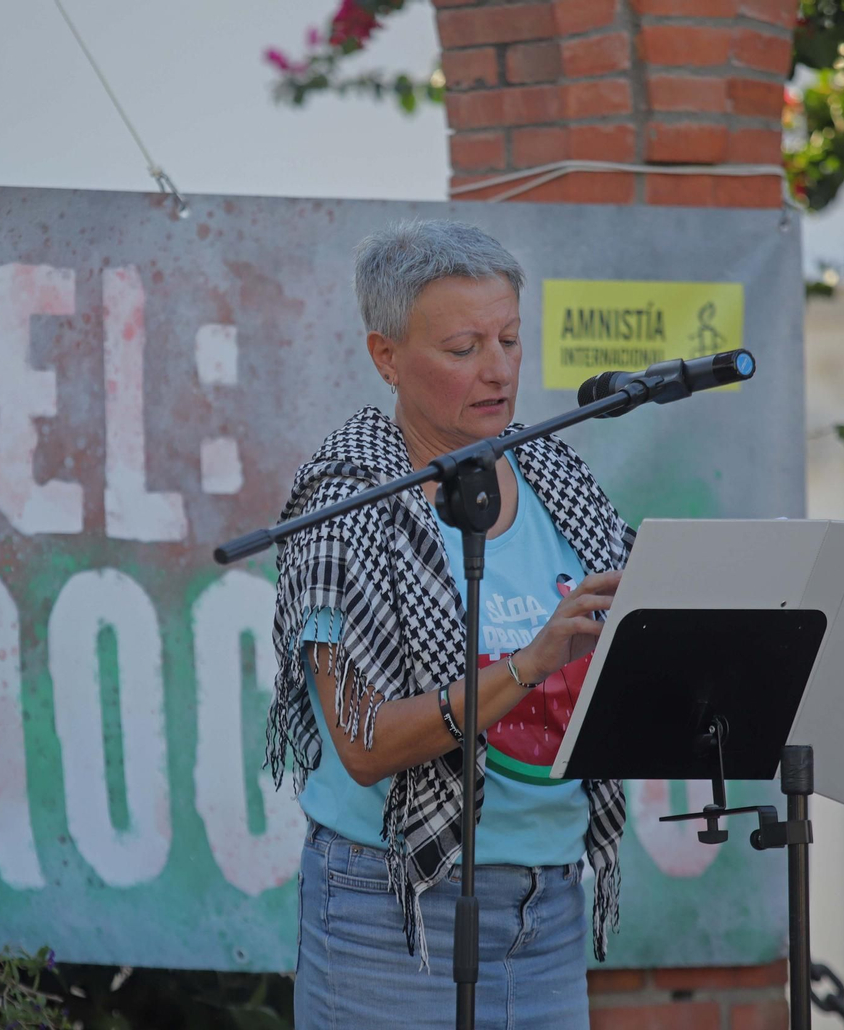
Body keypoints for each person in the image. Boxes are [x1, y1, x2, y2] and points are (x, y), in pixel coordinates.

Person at [268, 219, 636, 1029]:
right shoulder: (346, 502)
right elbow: (360, 745)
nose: (499, 369)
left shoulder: (557, 475)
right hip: (393, 912)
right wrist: (528, 663)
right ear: (387, 357)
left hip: (550, 902)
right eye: (464, 347)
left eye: (509, 338)